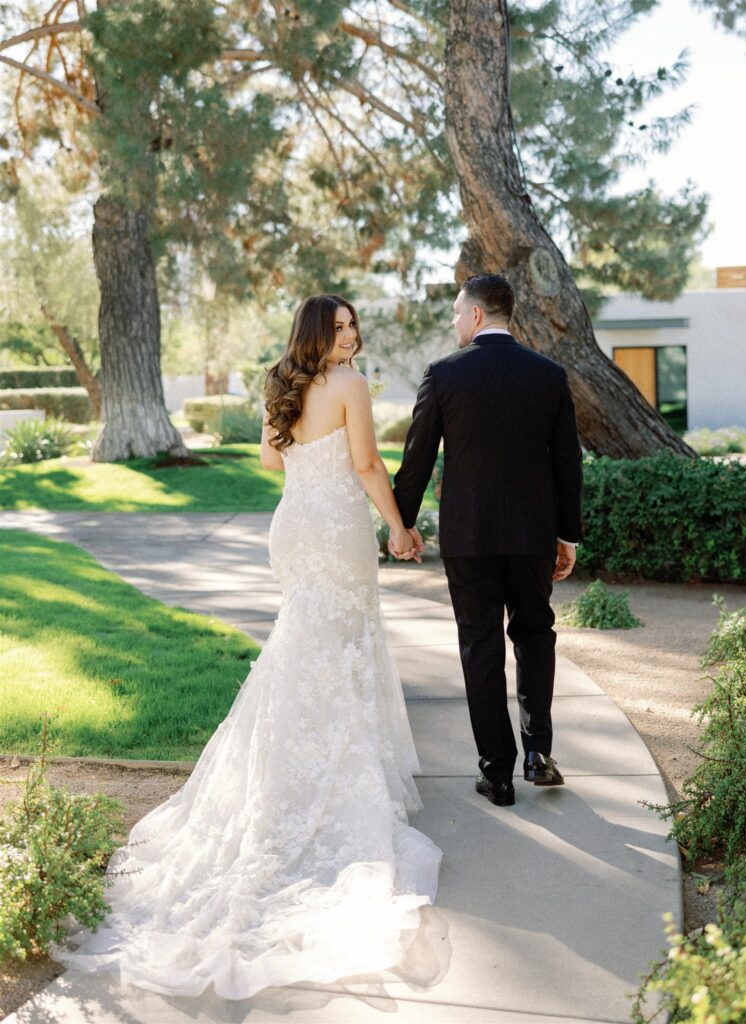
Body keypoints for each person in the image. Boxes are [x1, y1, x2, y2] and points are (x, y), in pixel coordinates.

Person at [51, 294, 441, 999]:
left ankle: (285, 763)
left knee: (304, 650)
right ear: (319, 333)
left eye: (355, 326)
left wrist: (314, 472)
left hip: (293, 524)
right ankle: (331, 772)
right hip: (335, 529)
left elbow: (270, 459)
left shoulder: (280, 383)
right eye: (342, 326)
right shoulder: (350, 386)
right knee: (340, 647)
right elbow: (365, 466)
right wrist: (399, 527)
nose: (352, 336)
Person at [392, 274, 583, 808]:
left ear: (476, 315)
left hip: (468, 536)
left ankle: (496, 773)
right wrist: (566, 535)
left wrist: (401, 523)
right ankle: (538, 752)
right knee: (534, 633)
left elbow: (417, 459)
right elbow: (568, 463)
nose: (454, 321)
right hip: (531, 535)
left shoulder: (444, 374)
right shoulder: (548, 375)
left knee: (480, 644)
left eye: (457, 312)